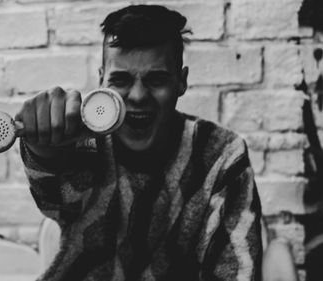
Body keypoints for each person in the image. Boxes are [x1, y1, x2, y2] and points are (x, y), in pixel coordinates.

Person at [15, 4, 262, 281]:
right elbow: (56, 202)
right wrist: (45, 151)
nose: (138, 95)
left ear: (181, 82)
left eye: (156, 79)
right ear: (101, 81)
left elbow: (235, 270)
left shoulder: (221, 156)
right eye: (120, 79)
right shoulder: (85, 143)